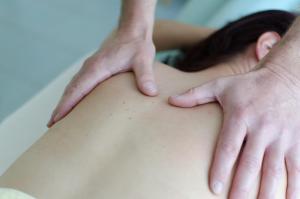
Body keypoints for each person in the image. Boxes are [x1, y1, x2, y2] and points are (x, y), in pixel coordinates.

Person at [0, 10, 296, 199]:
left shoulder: (126, 72)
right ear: (265, 47)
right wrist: (279, 68)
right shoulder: (268, 145)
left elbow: (153, 30)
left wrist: (239, 44)